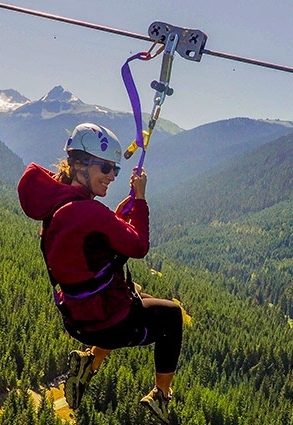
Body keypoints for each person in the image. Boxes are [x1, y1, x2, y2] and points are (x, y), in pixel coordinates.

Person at [17, 123, 182, 424]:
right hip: (103, 323)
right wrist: (141, 200)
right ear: (79, 165)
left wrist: (116, 219)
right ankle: (161, 394)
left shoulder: (59, 207)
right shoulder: (88, 212)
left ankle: (89, 362)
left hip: (76, 317)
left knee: (139, 296)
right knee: (171, 316)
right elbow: (138, 246)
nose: (111, 176)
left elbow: (89, 245)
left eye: (116, 170)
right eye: (105, 168)